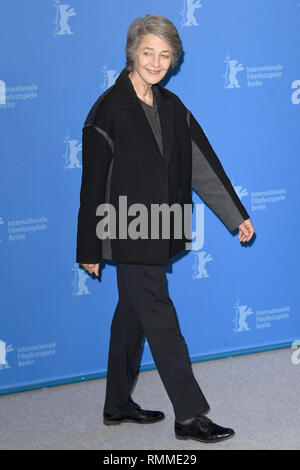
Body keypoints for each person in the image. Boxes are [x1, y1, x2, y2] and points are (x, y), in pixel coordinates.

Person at [76, 14, 255, 444]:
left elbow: (203, 166)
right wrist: (89, 248)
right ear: (131, 53)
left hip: (162, 227)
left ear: (173, 60)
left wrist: (236, 216)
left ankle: (117, 403)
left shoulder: (174, 109)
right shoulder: (106, 110)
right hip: (124, 229)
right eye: (148, 52)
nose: (156, 62)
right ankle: (190, 416)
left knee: (132, 317)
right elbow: (92, 185)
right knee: (161, 318)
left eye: (165, 55)